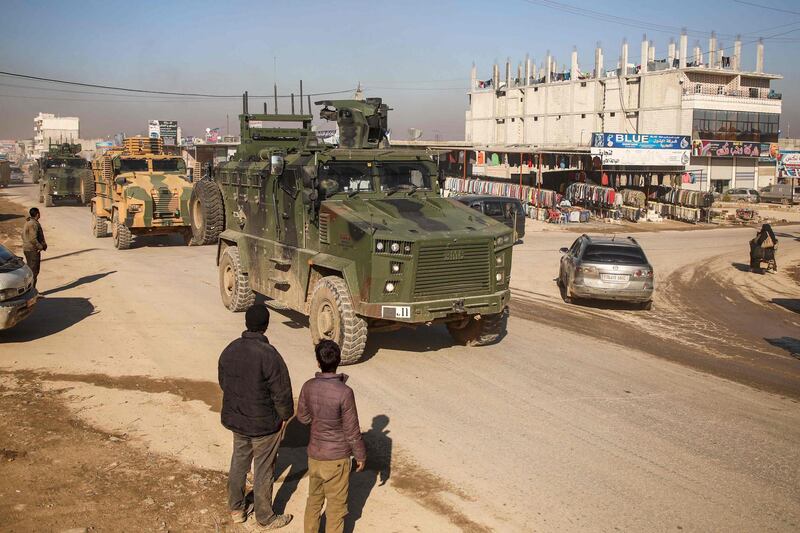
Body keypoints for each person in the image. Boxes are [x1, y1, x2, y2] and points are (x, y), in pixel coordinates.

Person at [218, 304, 294, 529]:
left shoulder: (230, 349)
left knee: (239, 462)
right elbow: (282, 392)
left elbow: (224, 382)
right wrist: (285, 416)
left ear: (247, 324)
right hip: (264, 426)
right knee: (263, 469)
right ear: (266, 326)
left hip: (237, 420)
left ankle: (236, 509)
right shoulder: (269, 355)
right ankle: (265, 517)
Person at [297, 340, 367, 533]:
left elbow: (302, 418)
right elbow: (352, 430)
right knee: (336, 509)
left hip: (315, 456)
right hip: (337, 459)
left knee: (314, 501)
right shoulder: (345, 392)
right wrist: (360, 455)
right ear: (339, 361)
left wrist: (318, 418)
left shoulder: (308, 386)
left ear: (318, 362)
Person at [22, 207, 46, 288]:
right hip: (32, 250)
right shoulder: (33, 224)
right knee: (34, 272)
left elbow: (23, 235)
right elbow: (33, 239)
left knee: (31, 271)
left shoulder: (28, 222)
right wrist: (40, 247)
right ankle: (32, 292)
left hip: (27, 249)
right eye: (39, 213)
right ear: (37, 214)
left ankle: (31, 291)